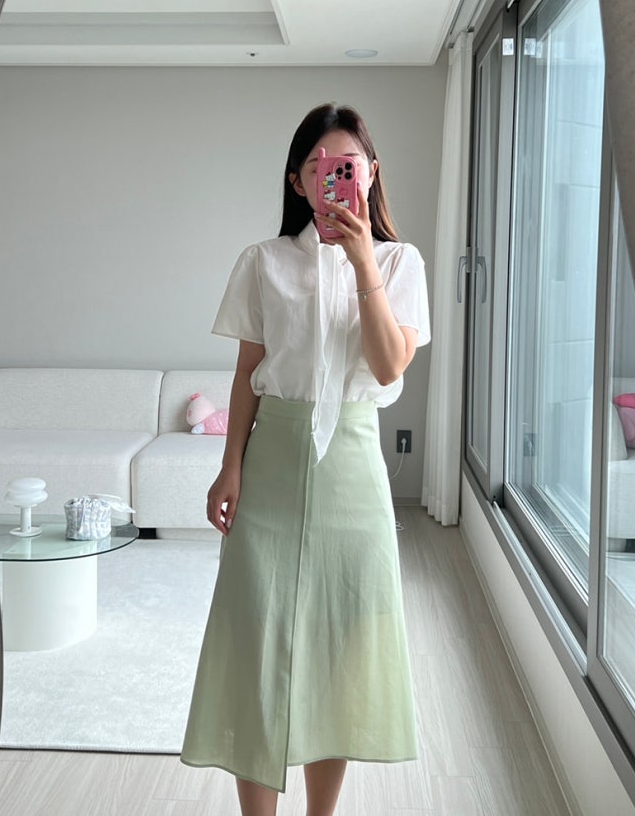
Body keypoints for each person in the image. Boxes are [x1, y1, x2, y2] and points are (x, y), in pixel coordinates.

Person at [179, 102, 430, 816]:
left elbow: (387, 366)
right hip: (271, 464)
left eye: (345, 165)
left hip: (353, 467)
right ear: (296, 181)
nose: (331, 178)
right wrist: (229, 465)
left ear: (370, 173)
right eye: (317, 167)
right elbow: (246, 373)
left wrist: (361, 260)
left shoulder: (400, 262)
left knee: (340, 650)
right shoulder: (262, 262)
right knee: (253, 642)